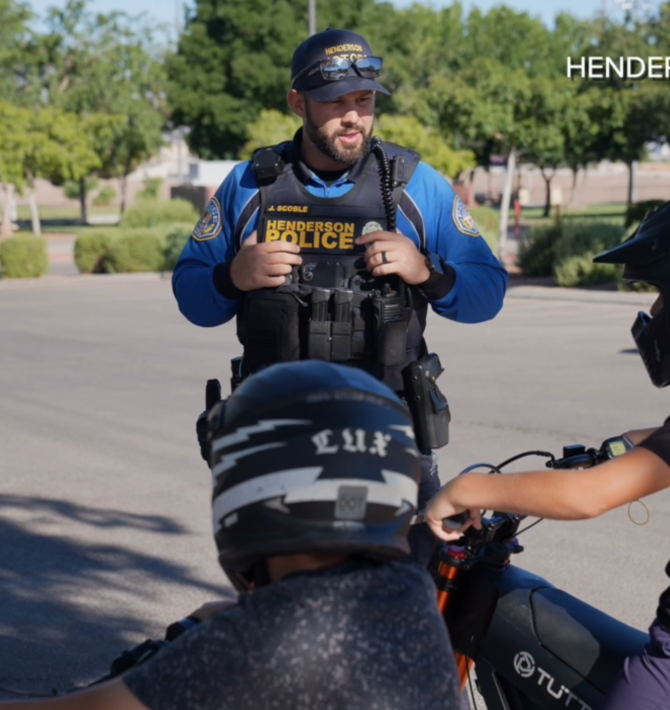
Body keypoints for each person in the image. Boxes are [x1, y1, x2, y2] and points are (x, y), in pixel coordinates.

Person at [0, 361, 464, 710]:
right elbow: (295, 625)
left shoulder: (258, 645)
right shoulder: (404, 588)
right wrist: (216, 616)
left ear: (251, 490)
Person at [423, 186, 670, 710]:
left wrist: (467, 488)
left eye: (660, 295)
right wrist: (620, 447)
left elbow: (584, 498)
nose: (654, 311)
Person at [175, 27, 508, 563]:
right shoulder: (248, 185)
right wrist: (232, 275)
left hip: (390, 434)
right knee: (277, 603)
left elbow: (487, 294)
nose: (354, 116)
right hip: (277, 435)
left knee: (410, 594)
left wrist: (427, 272)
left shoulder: (416, 186)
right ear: (297, 102)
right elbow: (192, 295)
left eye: (365, 99)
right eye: (335, 102)